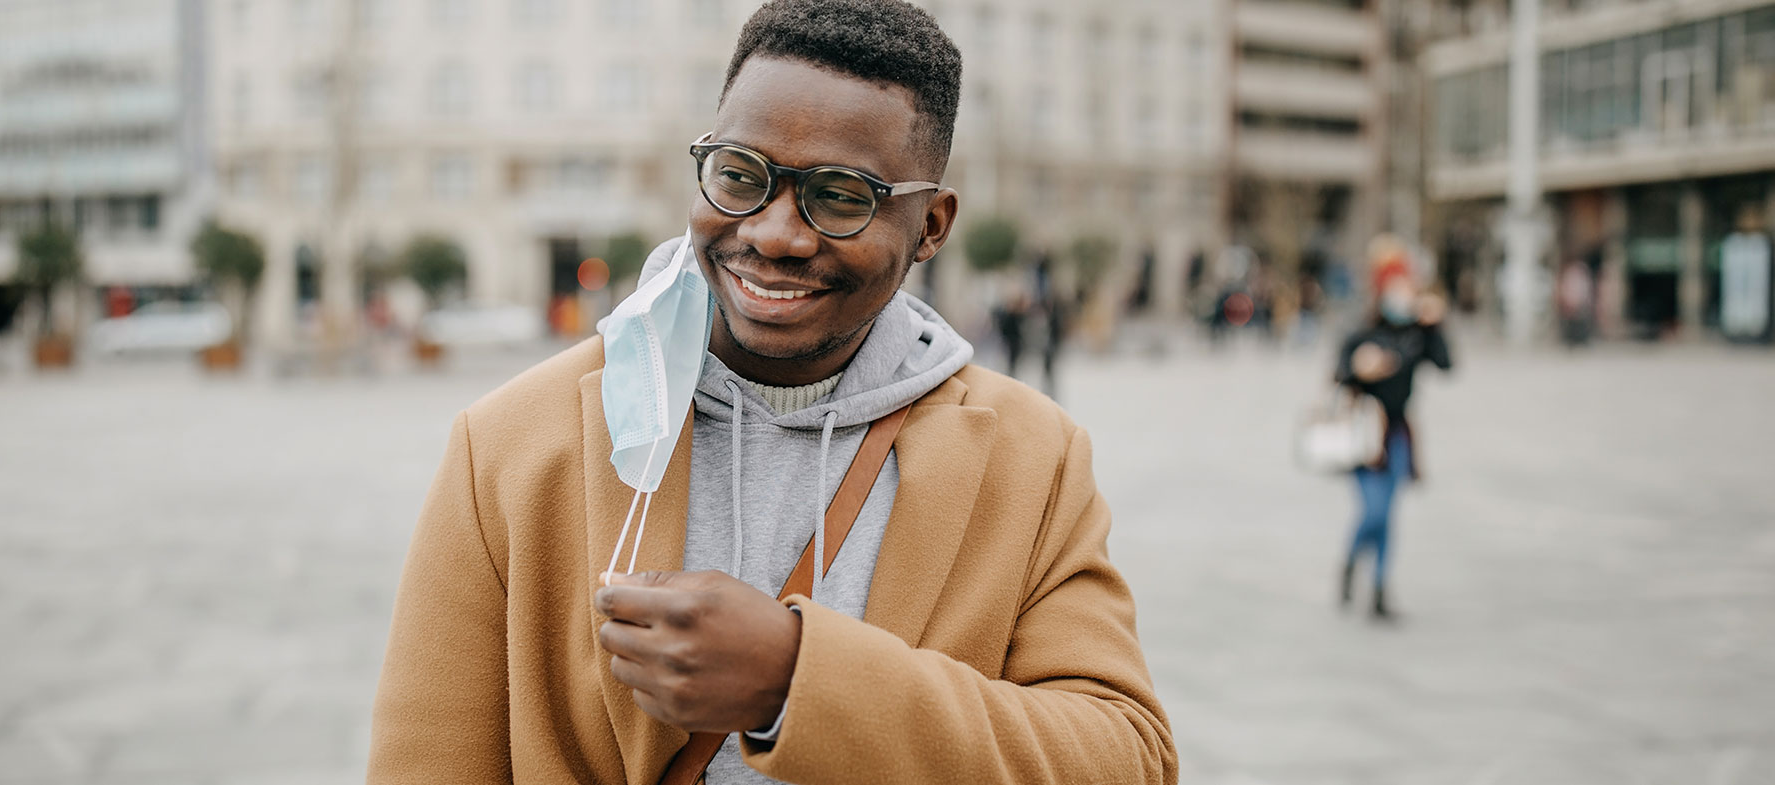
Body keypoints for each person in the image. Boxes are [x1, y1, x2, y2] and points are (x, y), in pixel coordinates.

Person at [365, 2, 1177, 784]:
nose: (773, 233)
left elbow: (1128, 757)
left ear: (932, 225)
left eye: (839, 195)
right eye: (741, 174)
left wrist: (795, 681)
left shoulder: (1034, 457)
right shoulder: (506, 445)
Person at [1334, 244, 1453, 620]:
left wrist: (1436, 325)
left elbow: (1446, 365)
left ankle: (1381, 587)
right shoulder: (1361, 331)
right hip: (1366, 436)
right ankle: (1352, 559)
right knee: (1375, 512)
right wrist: (1359, 369)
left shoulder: (1416, 333)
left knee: (1390, 514)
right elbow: (1338, 375)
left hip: (1400, 434)